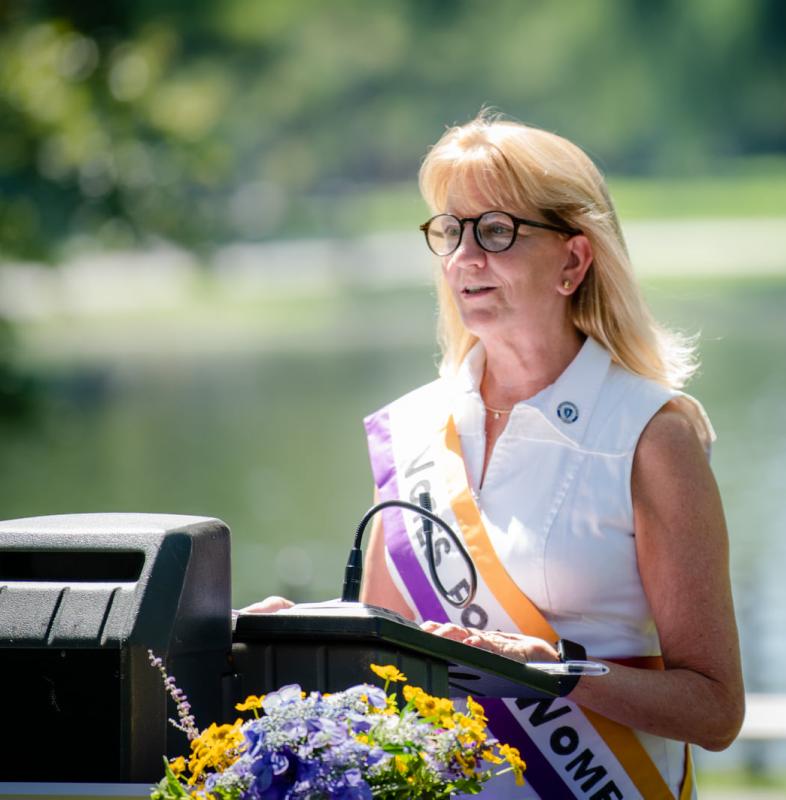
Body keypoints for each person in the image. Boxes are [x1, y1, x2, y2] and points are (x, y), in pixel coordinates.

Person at [244, 113, 744, 799]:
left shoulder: (651, 434)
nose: (465, 258)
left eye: (497, 231)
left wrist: (559, 675)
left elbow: (715, 710)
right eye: (450, 231)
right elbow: (380, 659)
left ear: (573, 260)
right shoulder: (415, 428)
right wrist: (297, 639)